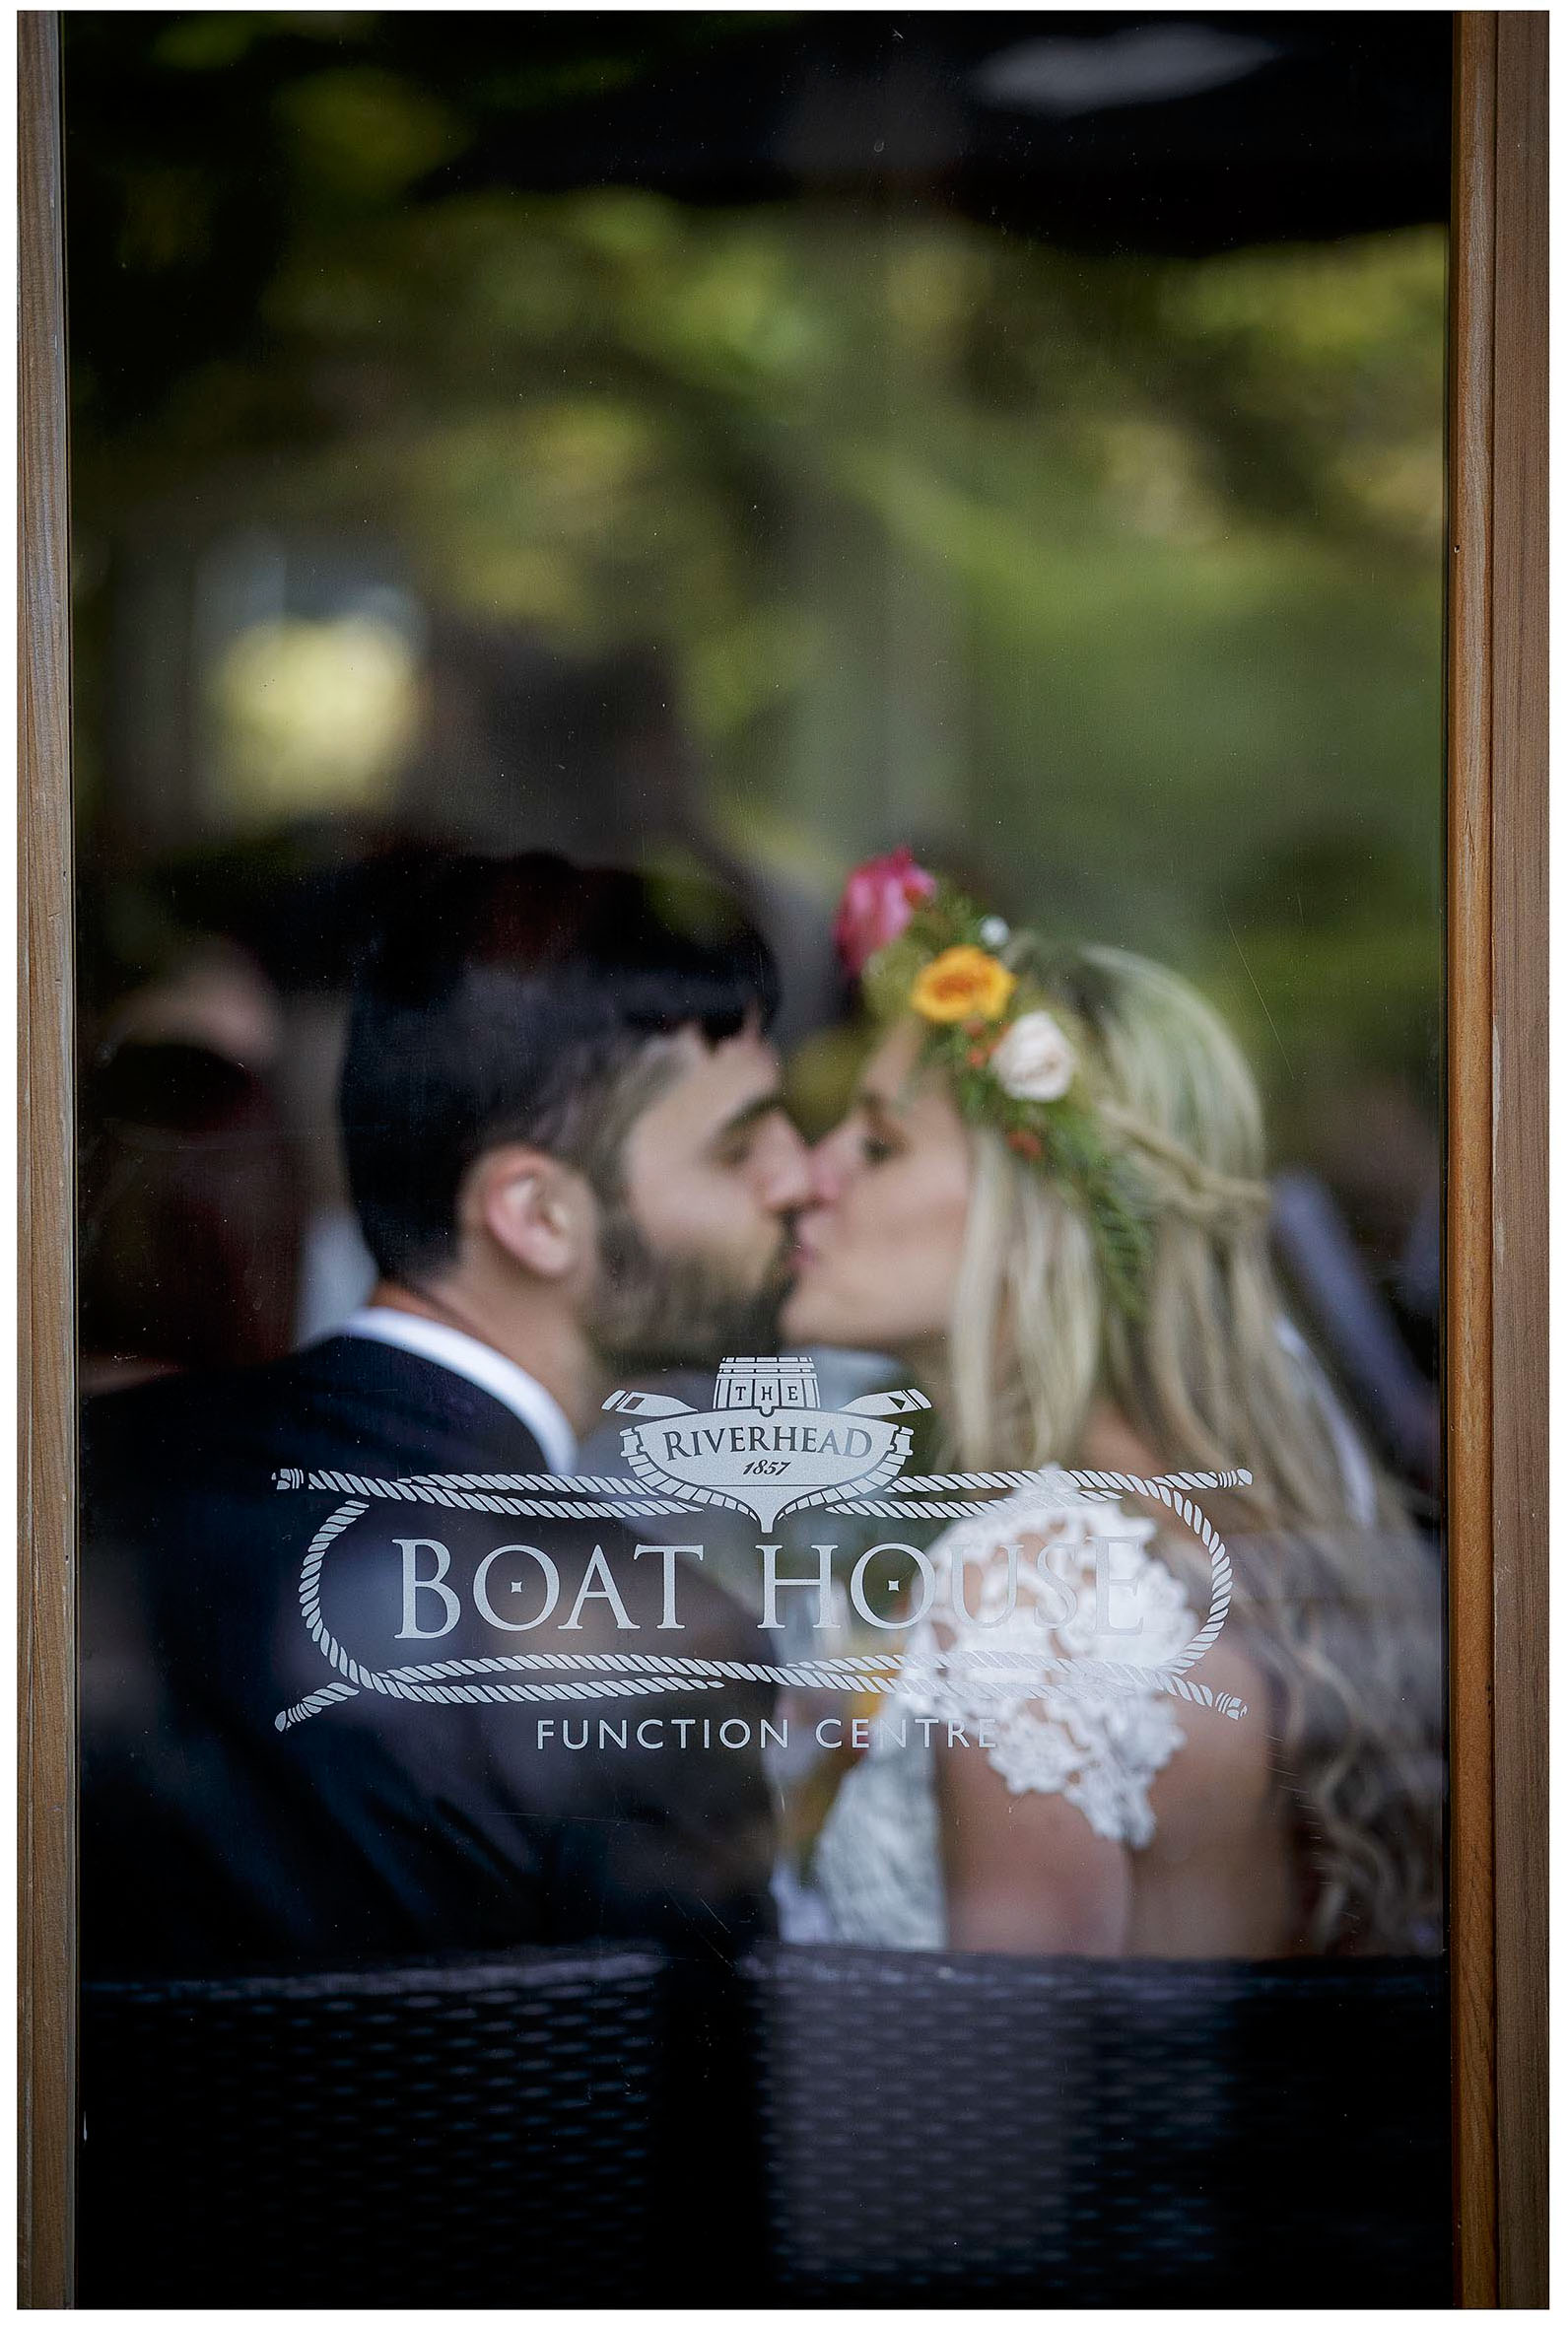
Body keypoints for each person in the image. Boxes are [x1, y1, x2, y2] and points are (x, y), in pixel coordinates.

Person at [83, 850, 813, 1975]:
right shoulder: (655, 1644)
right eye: (739, 1143)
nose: (798, 1177)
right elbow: (708, 2108)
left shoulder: (84, 1474)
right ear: (534, 1214)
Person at [781, 851, 1441, 1959]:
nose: (810, 1174)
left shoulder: (1035, 1595)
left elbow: (1004, 2114)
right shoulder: (1234, 1537)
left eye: (881, 1144)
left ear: (1039, 1215)